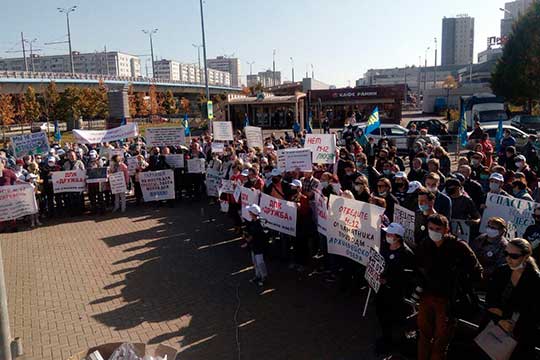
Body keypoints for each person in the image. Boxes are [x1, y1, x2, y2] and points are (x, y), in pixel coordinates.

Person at [415, 214, 483, 360]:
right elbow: (418, 266)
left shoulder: (459, 247)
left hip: (448, 301)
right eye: (430, 228)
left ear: (447, 229)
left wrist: (461, 285)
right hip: (427, 297)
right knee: (423, 336)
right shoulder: (425, 243)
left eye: (438, 229)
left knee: (441, 341)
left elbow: (477, 271)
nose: (433, 232)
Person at [482, 239, 540, 360]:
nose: (508, 258)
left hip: (519, 335)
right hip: (494, 329)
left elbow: (532, 312)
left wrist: (505, 316)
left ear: (526, 256)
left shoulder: (534, 279)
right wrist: (500, 319)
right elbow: (490, 301)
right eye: (506, 254)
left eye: (514, 256)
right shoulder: (501, 271)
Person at [375, 223, 415, 355]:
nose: (387, 236)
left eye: (390, 235)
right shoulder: (385, 246)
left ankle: (399, 343)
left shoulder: (406, 253)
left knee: (396, 316)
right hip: (381, 290)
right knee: (382, 315)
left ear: (398, 237)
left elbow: (408, 276)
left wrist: (389, 280)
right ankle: (386, 338)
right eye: (387, 234)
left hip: (396, 292)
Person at [470, 217, 509, 282]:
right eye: (489, 226)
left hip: (488, 278)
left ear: (501, 230)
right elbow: (471, 252)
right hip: (472, 270)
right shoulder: (481, 238)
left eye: (493, 228)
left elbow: (499, 266)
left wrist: (481, 271)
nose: (490, 229)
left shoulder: (504, 246)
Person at [244, 204, 268, 287]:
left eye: (250, 212)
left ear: (252, 213)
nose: (249, 213)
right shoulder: (254, 222)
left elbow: (256, 235)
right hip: (254, 246)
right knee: (255, 262)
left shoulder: (259, 223)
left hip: (258, 246)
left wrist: (248, 238)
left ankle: (263, 277)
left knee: (260, 262)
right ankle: (258, 276)